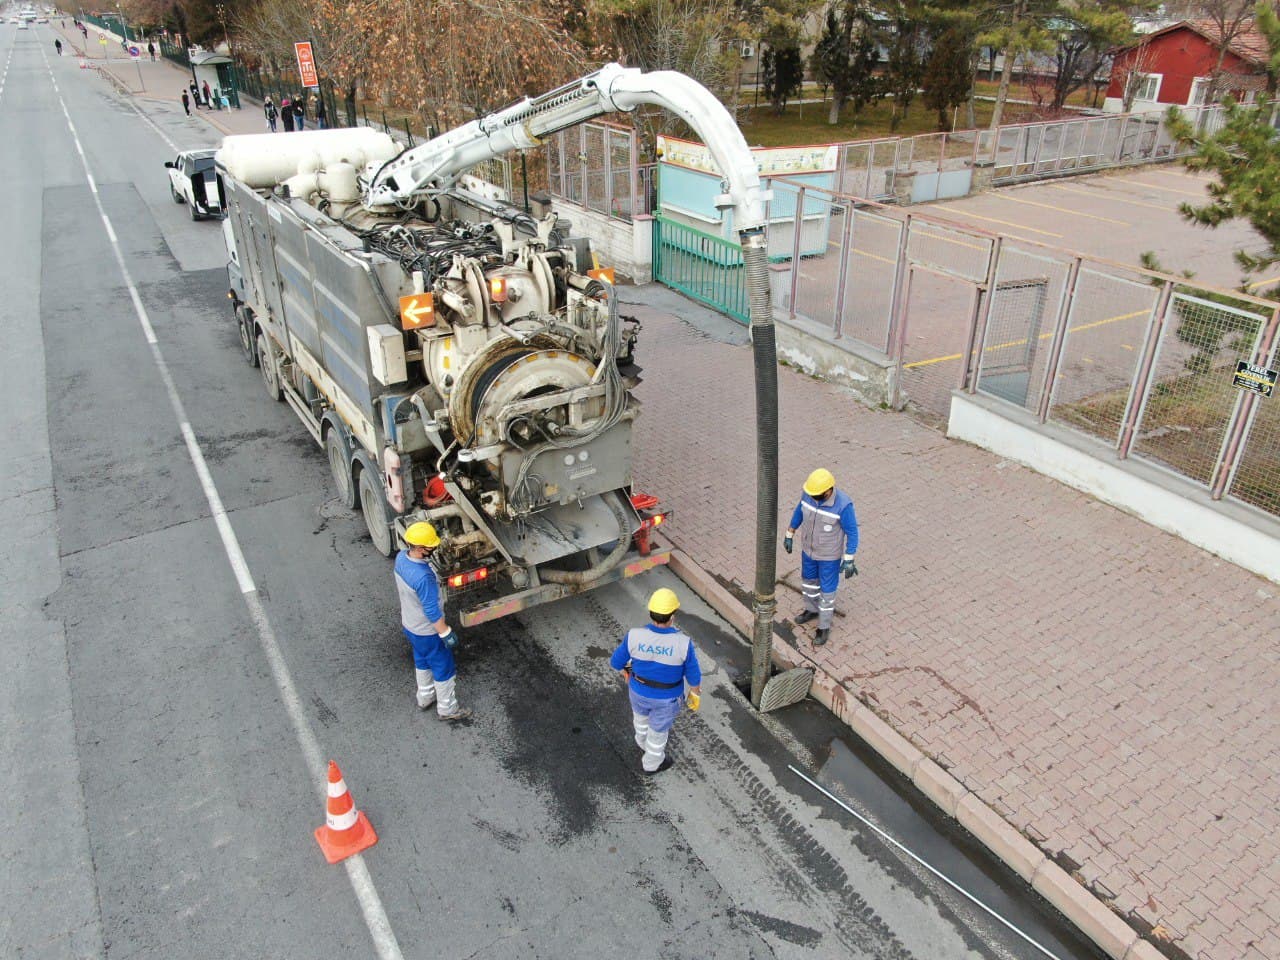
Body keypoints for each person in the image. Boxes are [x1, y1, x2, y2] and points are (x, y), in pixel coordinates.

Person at [610, 588, 701, 775]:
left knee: (641, 719)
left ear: (651, 613)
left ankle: (641, 741)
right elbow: (693, 674)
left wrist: (627, 671)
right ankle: (652, 763)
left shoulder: (634, 635)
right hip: (666, 699)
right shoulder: (683, 643)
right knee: (658, 732)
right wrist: (695, 693)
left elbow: (616, 662)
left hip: (638, 692)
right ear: (672, 616)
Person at [394, 522, 471, 721]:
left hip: (410, 625)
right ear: (420, 549)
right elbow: (431, 611)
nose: (434, 548)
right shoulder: (424, 578)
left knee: (421, 661)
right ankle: (448, 709)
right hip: (427, 631)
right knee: (443, 667)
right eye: (431, 546)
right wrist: (445, 633)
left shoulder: (401, 558)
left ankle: (425, 697)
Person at [783, 468, 859, 647]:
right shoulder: (809, 494)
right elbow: (799, 511)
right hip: (808, 552)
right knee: (809, 582)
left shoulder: (843, 505)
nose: (812, 497)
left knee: (827, 590)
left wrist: (849, 557)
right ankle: (811, 610)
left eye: (817, 494)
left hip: (829, 557)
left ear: (828, 490)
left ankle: (824, 626)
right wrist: (790, 532)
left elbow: (852, 533)